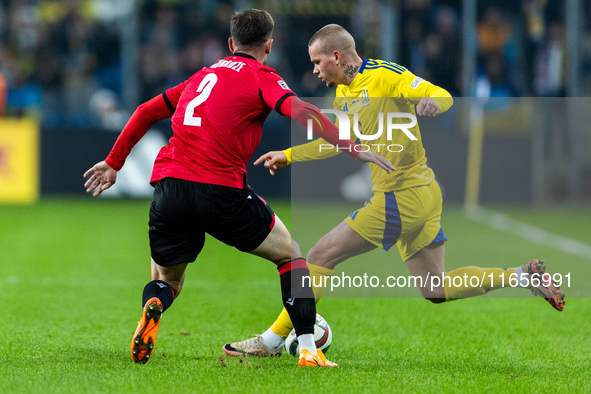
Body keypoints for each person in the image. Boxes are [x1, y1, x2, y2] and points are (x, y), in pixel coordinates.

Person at [223, 24, 565, 357]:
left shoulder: (386, 76)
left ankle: (269, 342)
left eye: (317, 62)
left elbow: (440, 94)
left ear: (337, 56)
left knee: (319, 255)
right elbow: (341, 143)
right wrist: (290, 155)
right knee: (435, 288)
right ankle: (521, 275)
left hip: (403, 195)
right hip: (421, 195)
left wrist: (434, 103)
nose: (314, 71)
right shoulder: (344, 94)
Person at [83, 11, 393, 367]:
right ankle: (308, 348)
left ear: (231, 44)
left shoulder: (202, 76)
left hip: (169, 188)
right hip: (219, 190)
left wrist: (114, 162)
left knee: (166, 279)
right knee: (290, 255)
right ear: (269, 46)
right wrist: (350, 146)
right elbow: (300, 110)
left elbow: (143, 111)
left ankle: (154, 305)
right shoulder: (262, 77)